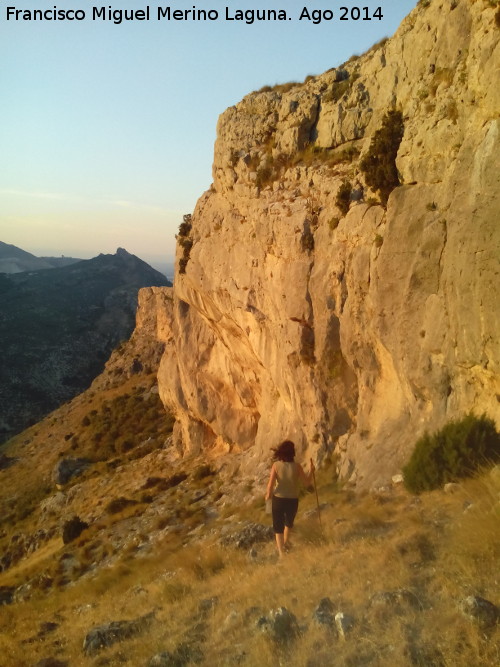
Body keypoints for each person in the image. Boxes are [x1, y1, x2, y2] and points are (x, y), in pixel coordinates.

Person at [264, 440, 315, 558]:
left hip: (278, 499)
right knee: (288, 524)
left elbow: (270, 485)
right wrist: (311, 472)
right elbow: (307, 483)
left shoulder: (276, 466)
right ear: (292, 453)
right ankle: (285, 544)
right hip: (292, 500)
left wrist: (268, 497)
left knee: (278, 526)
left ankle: (282, 553)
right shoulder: (297, 467)